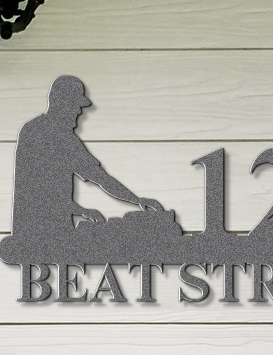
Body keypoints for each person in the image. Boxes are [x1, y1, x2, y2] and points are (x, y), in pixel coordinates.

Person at [11, 75, 162, 240]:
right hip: (35, 235)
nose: (79, 111)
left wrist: (136, 200)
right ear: (62, 104)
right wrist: (80, 210)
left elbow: (100, 177)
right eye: (76, 105)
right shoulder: (37, 133)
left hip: (58, 231)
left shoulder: (64, 138)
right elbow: (35, 192)